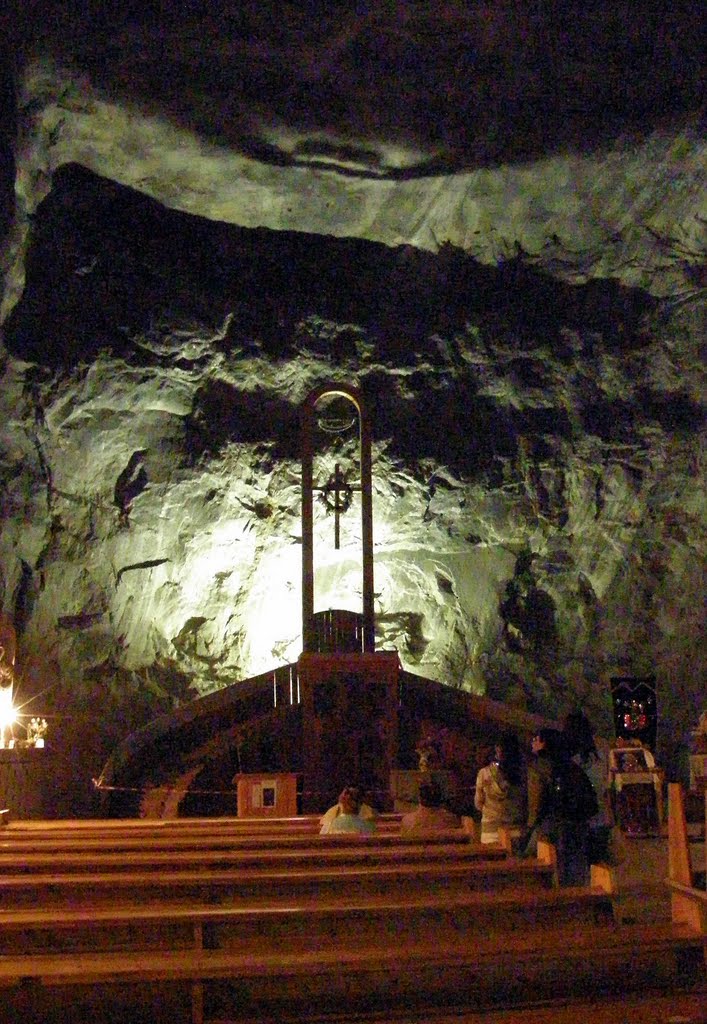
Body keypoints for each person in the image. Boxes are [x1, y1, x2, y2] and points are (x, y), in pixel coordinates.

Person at [525, 727, 591, 886]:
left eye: (536, 739)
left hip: (552, 824)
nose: (532, 742)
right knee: (575, 868)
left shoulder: (538, 767)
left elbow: (536, 801)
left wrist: (530, 826)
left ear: (544, 744)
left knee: (541, 865)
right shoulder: (572, 765)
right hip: (577, 823)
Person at [474, 732, 526, 844]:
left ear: (497, 750)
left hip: (490, 831)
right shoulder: (524, 775)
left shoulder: (484, 774)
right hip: (515, 831)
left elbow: (478, 804)